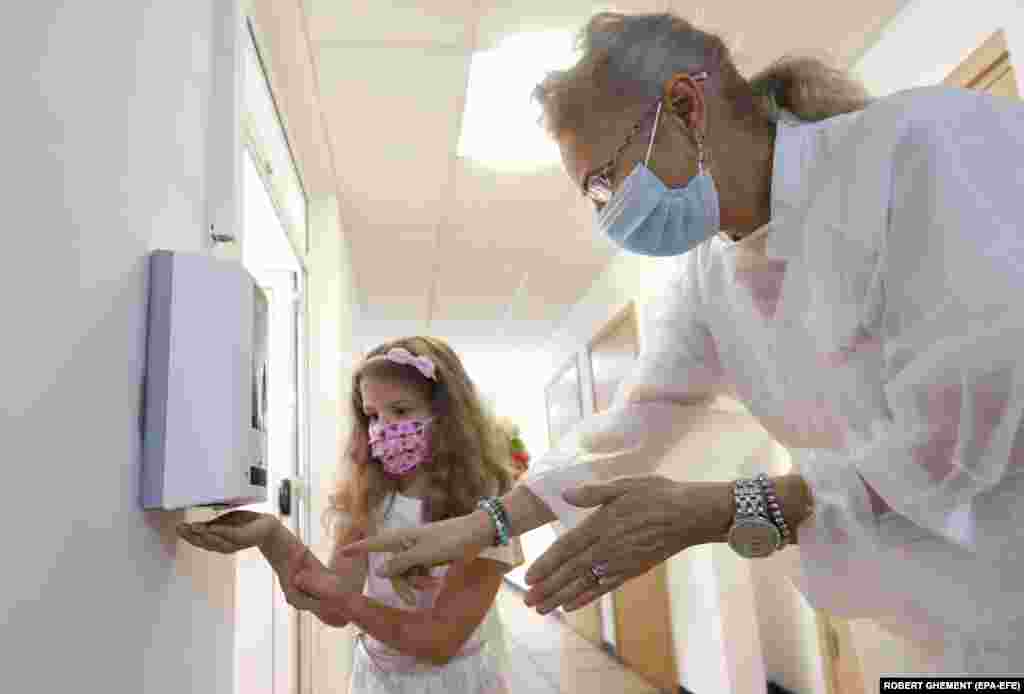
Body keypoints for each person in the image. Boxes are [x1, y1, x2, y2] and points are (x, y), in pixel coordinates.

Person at [294, 12, 1024, 674]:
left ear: (684, 106)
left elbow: (966, 430)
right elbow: (638, 421)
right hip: (931, 620)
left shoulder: (925, 148)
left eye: (605, 180)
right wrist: (485, 522)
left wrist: (724, 508)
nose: (607, 212)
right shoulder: (711, 273)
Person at [178, 336, 524, 693]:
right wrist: (271, 536)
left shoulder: (487, 508)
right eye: (372, 415)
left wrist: (344, 598)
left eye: (401, 411)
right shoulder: (369, 497)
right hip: (377, 680)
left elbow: (440, 641)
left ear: (447, 416)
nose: (384, 427)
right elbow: (333, 607)